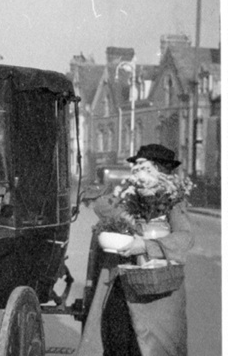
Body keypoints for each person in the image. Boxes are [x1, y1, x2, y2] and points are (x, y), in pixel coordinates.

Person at [79, 144, 193, 356]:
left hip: (158, 291)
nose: (139, 174)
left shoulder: (174, 204)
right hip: (122, 285)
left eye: (146, 169)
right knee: (116, 341)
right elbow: (101, 205)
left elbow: (185, 239)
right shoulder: (128, 197)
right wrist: (129, 217)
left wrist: (145, 245)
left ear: (162, 174)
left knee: (153, 347)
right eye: (137, 169)